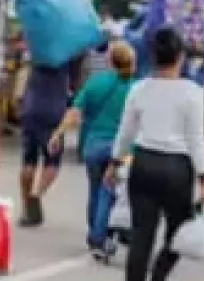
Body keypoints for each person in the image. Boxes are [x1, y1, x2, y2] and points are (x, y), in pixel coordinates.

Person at [108, 27, 204, 281]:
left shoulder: (140, 89)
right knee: (178, 232)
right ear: (180, 56)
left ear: (153, 56)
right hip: (177, 168)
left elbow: (126, 131)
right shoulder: (191, 93)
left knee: (142, 234)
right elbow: (196, 140)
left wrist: (115, 162)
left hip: (143, 162)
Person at [50, 40, 138, 261]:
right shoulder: (135, 88)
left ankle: (95, 235)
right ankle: (100, 236)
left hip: (93, 146)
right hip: (122, 149)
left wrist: (58, 133)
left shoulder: (95, 83)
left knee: (95, 189)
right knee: (109, 192)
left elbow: (75, 112)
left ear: (109, 60)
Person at [17, 56, 83, 227]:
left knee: (28, 159)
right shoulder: (68, 51)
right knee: (52, 159)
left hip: (32, 107)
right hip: (55, 110)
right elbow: (75, 81)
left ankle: (26, 204)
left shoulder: (37, 44)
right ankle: (37, 194)